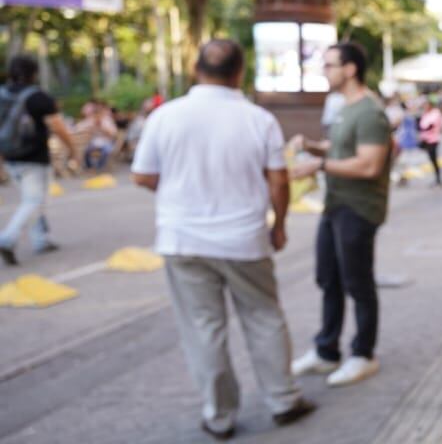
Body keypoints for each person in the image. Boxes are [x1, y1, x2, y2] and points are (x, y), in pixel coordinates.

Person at [130, 40, 315, 440]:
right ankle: (283, 400)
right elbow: (279, 179)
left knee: (203, 327)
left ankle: (219, 416)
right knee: (264, 317)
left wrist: (179, 192)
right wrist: (279, 224)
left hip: (182, 239)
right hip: (244, 239)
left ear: (196, 69)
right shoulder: (258, 119)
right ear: (240, 72)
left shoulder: (165, 116)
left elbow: (142, 175)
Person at [288, 42, 391, 387]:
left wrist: (318, 165)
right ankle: (326, 351)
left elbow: (369, 164)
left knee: (358, 282)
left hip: (358, 208)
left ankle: (363, 354)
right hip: (335, 205)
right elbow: (342, 148)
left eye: (329, 65)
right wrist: (313, 147)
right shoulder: (346, 108)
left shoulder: (370, 112)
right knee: (328, 279)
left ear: (350, 69)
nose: (325, 71)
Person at [0, 55, 76, 265]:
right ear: (34, 73)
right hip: (34, 159)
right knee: (34, 201)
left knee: (32, 200)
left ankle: (40, 240)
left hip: (10, 157)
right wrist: (73, 150)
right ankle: (7, 238)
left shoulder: (3, 95)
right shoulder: (38, 97)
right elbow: (58, 127)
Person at [78, 101, 117, 172]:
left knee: (105, 151)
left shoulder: (107, 121)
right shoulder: (90, 121)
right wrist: (89, 129)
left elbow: (114, 134)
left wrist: (102, 129)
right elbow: (79, 127)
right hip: (94, 142)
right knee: (86, 151)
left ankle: (99, 167)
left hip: (106, 142)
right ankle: (89, 167)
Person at [417, 97, 442, 187]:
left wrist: (423, 129)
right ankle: (437, 178)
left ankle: (438, 178)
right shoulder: (426, 114)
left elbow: (430, 125)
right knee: (432, 159)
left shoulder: (435, 113)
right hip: (426, 139)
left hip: (433, 139)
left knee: (434, 159)